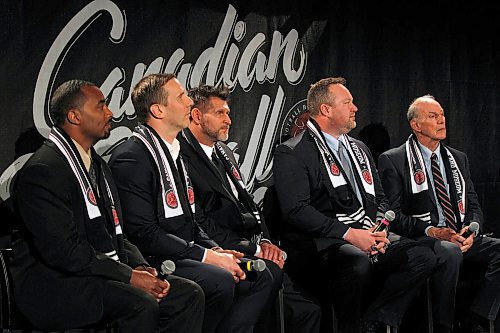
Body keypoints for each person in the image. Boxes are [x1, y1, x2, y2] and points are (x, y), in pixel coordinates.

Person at [10, 80, 204, 332]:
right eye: (100, 106)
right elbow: (65, 252)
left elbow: (116, 234)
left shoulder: (98, 165)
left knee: (187, 294)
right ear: (74, 116)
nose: (110, 113)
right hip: (55, 285)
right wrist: (128, 276)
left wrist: (140, 267)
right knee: (140, 303)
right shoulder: (43, 172)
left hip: (94, 273)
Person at [109, 74, 274, 333]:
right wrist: (207, 257)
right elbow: (144, 233)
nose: (188, 103)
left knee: (260, 275)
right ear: (158, 110)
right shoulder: (132, 157)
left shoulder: (175, 154)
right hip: (158, 259)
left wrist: (216, 250)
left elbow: (193, 220)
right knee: (220, 280)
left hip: (187, 252)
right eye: (181, 97)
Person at [272, 77, 436, 333]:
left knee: (422, 256)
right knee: (356, 261)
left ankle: (375, 320)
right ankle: (351, 327)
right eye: (347, 102)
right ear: (326, 110)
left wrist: (379, 228)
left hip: (367, 233)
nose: (355, 107)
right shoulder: (292, 152)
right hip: (323, 244)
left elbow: (380, 199)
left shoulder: (359, 148)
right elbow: (296, 210)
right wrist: (350, 235)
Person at [179, 84, 321, 332]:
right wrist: (254, 249)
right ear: (197, 116)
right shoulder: (180, 155)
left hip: (253, 247)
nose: (228, 120)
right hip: (222, 252)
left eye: (228, 113)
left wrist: (266, 242)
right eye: (220, 113)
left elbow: (249, 205)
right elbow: (199, 222)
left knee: (308, 312)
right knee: (269, 282)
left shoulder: (223, 151)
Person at [378, 94, 500, 333]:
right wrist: (433, 231)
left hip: (461, 235)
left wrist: (473, 229)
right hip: (425, 237)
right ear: (416, 125)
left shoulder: (458, 158)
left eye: (442, 115)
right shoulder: (393, 160)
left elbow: (474, 205)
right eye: (433, 116)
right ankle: (443, 326)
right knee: (449, 250)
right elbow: (393, 215)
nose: (442, 120)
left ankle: (475, 319)